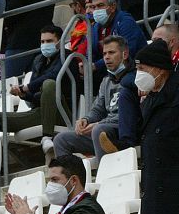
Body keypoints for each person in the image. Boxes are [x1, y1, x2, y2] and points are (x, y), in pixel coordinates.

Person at [52, 35, 133, 163]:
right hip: (103, 129)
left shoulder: (134, 78)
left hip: (123, 130)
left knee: (98, 130)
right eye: (104, 53)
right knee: (61, 139)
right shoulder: (106, 81)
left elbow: (132, 114)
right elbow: (98, 109)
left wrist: (99, 124)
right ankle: (73, 179)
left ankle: (105, 177)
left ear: (125, 54)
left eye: (111, 52)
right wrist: (86, 119)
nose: (106, 57)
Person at [134, 39, 179, 214]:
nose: (138, 74)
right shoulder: (149, 100)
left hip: (173, 185)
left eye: (142, 69)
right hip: (156, 187)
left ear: (159, 69)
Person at [6, 25, 66, 146]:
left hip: (61, 112)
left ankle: (47, 137)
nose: (45, 44)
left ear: (60, 42)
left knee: (49, 84)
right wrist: (22, 94)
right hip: (39, 112)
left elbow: (52, 76)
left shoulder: (68, 57)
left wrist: (26, 87)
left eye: (49, 41)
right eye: (42, 41)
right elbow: (33, 97)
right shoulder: (39, 60)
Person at [1, 0, 58, 79]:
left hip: (20, 39)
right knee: (31, 83)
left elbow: (13, 7)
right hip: (40, 39)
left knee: (7, 83)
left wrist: (8, 26)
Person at [90, 0, 147, 73]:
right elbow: (90, 50)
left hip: (133, 69)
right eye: (94, 7)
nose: (96, 10)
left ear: (113, 7)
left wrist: (96, 65)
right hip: (107, 70)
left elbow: (127, 51)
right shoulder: (96, 27)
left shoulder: (125, 21)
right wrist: (86, 65)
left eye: (100, 5)